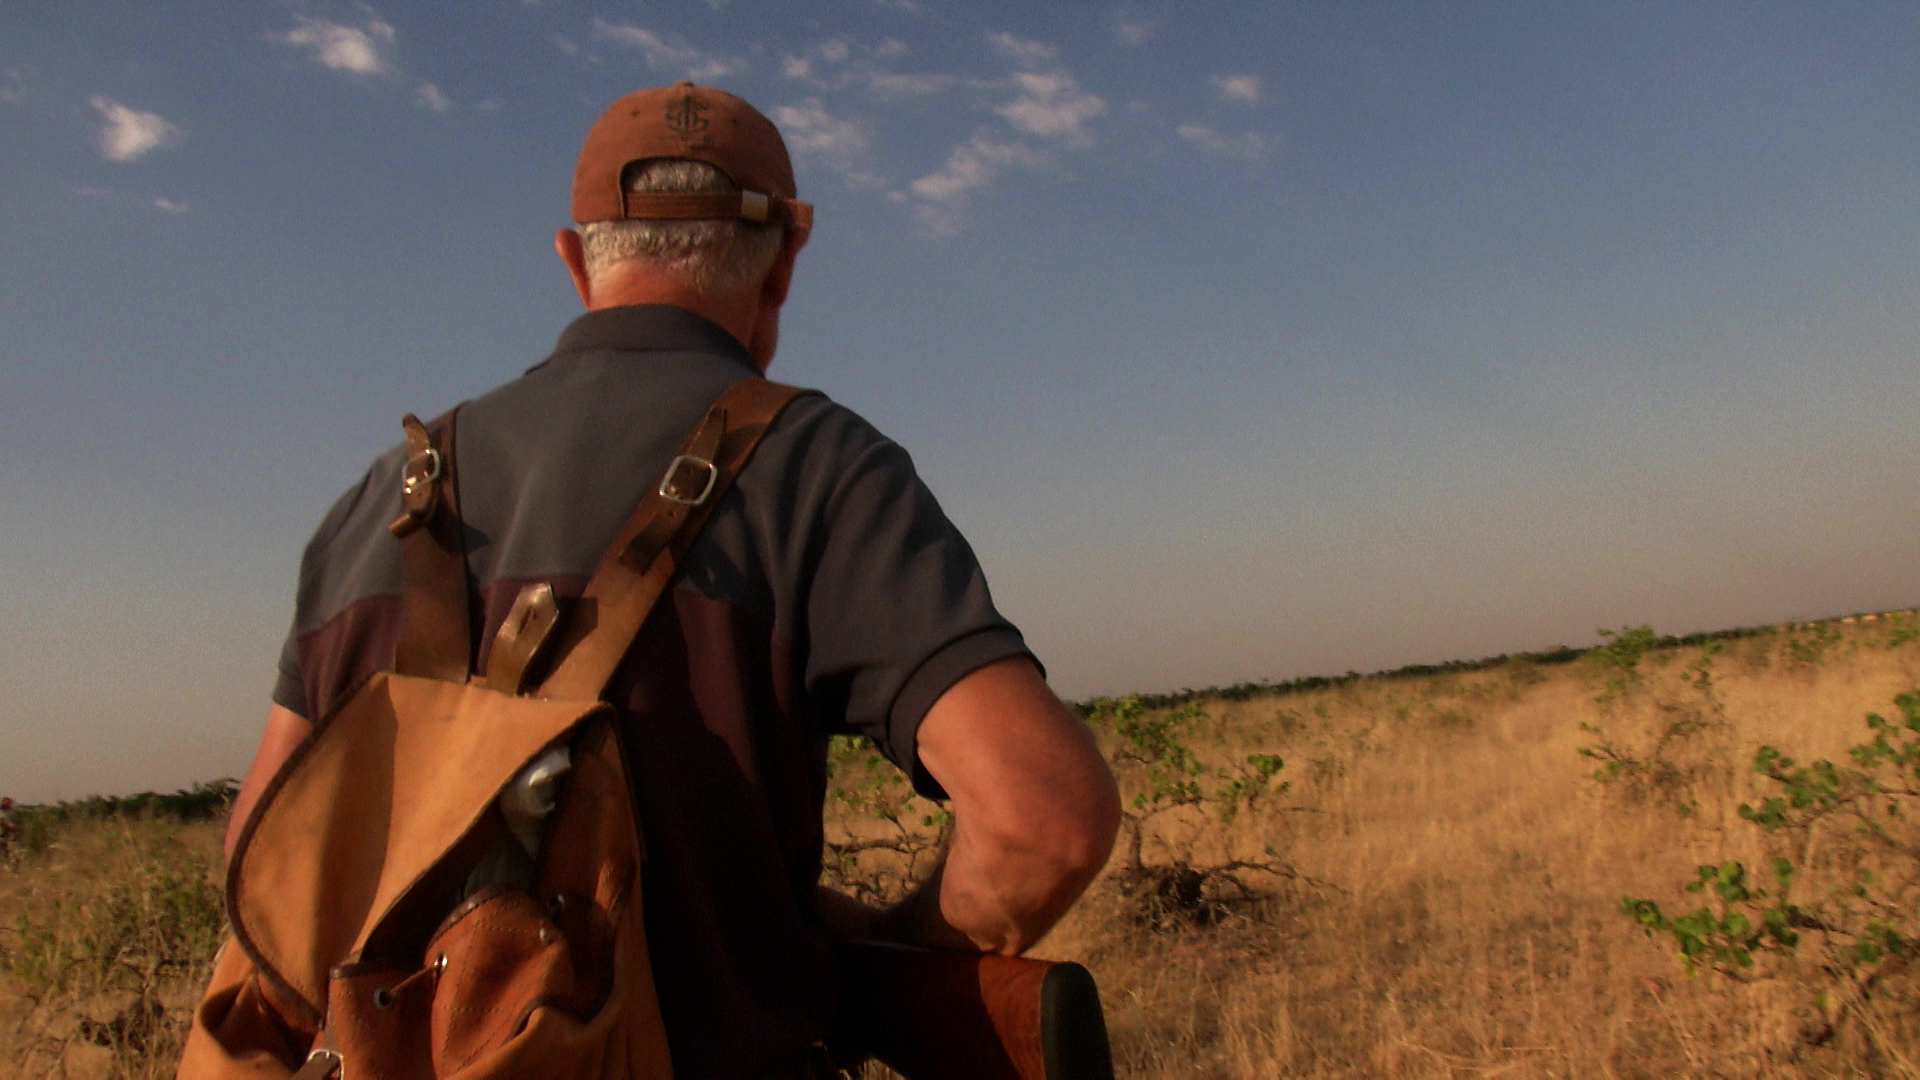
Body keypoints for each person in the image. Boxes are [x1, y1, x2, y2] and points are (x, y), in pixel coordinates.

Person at [224, 81, 1121, 1079]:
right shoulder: (818, 468)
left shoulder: (381, 502)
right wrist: (872, 963)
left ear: (575, 258)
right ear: (786, 260)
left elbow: (256, 869)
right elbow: (1045, 819)